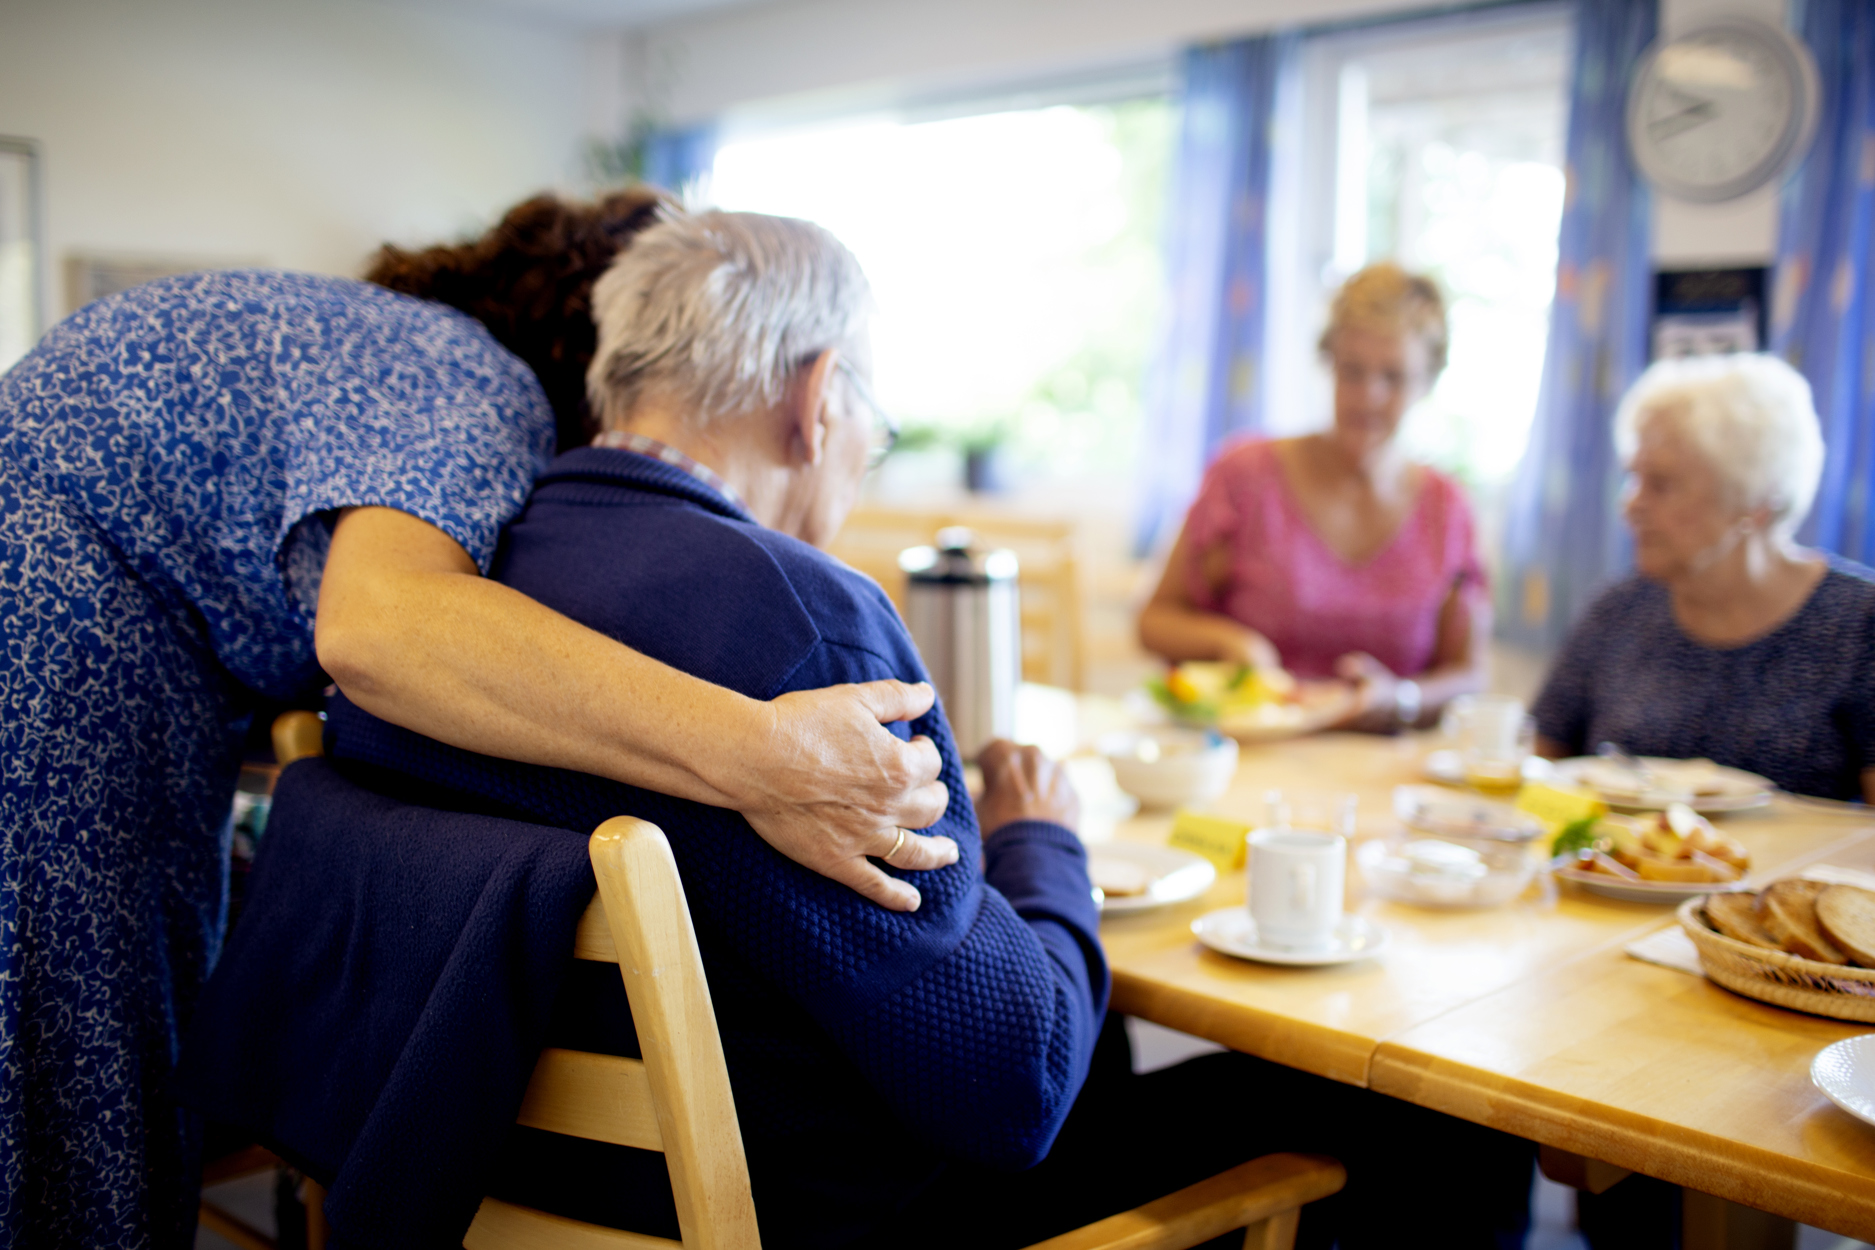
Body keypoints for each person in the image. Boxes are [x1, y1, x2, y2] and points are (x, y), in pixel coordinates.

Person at [314, 210, 1534, 1249]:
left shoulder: (459, 590)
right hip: (834, 1212)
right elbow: (1021, 1083)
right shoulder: (812, 632)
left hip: (499, 1187)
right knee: (1433, 1119)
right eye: (872, 429)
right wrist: (1040, 836)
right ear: (816, 397)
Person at [0, 190, 952, 1248]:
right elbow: (380, 627)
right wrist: (762, 753)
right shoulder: (469, 379)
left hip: (84, 634)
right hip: (49, 652)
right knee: (64, 1129)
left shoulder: (385, 353)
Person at [1138, 262, 1489, 731]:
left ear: (1427, 381)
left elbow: (1470, 674)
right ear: (1328, 364)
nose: (1368, 396)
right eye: (1352, 371)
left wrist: (1401, 698)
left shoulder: (1448, 511)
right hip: (1247, 755)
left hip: (1383, 766)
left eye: (1394, 377)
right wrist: (1232, 643)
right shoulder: (1243, 477)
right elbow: (1153, 620)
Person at [1533, 353, 1875, 802]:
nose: (1630, 505)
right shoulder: (1616, 612)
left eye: (1661, 484)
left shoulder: (1857, 624)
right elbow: (1540, 775)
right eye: (1632, 478)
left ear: (1755, 500)